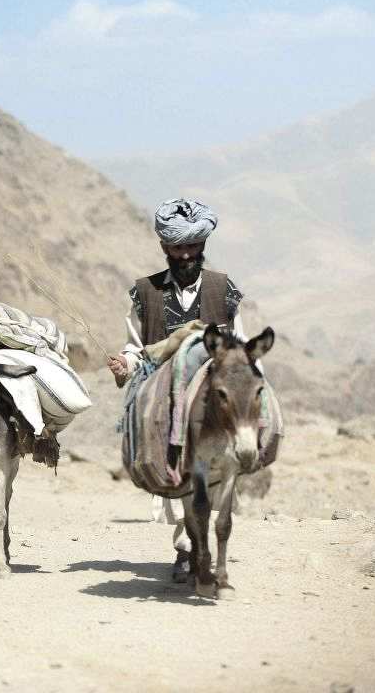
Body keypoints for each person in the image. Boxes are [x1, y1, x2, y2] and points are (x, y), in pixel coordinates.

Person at [106, 197, 246, 583]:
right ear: (164, 247)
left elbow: (240, 342)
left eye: (192, 246)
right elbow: (136, 346)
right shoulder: (143, 292)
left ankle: (199, 543)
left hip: (212, 390)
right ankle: (186, 547)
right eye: (177, 247)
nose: (184, 254)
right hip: (164, 391)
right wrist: (126, 363)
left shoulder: (225, 289)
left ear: (202, 246)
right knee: (171, 464)